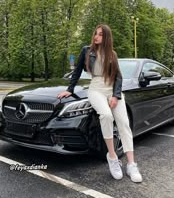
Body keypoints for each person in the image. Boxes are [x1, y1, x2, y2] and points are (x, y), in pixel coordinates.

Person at [57, 24, 142, 183]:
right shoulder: (86, 51)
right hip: (96, 89)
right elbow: (76, 71)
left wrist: (116, 96)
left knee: (124, 123)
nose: (96, 37)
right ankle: (112, 156)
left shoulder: (113, 55)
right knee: (106, 115)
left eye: (100, 34)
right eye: (95, 33)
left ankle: (131, 164)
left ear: (107, 37)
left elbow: (118, 77)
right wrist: (70, 89)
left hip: (112, 90)